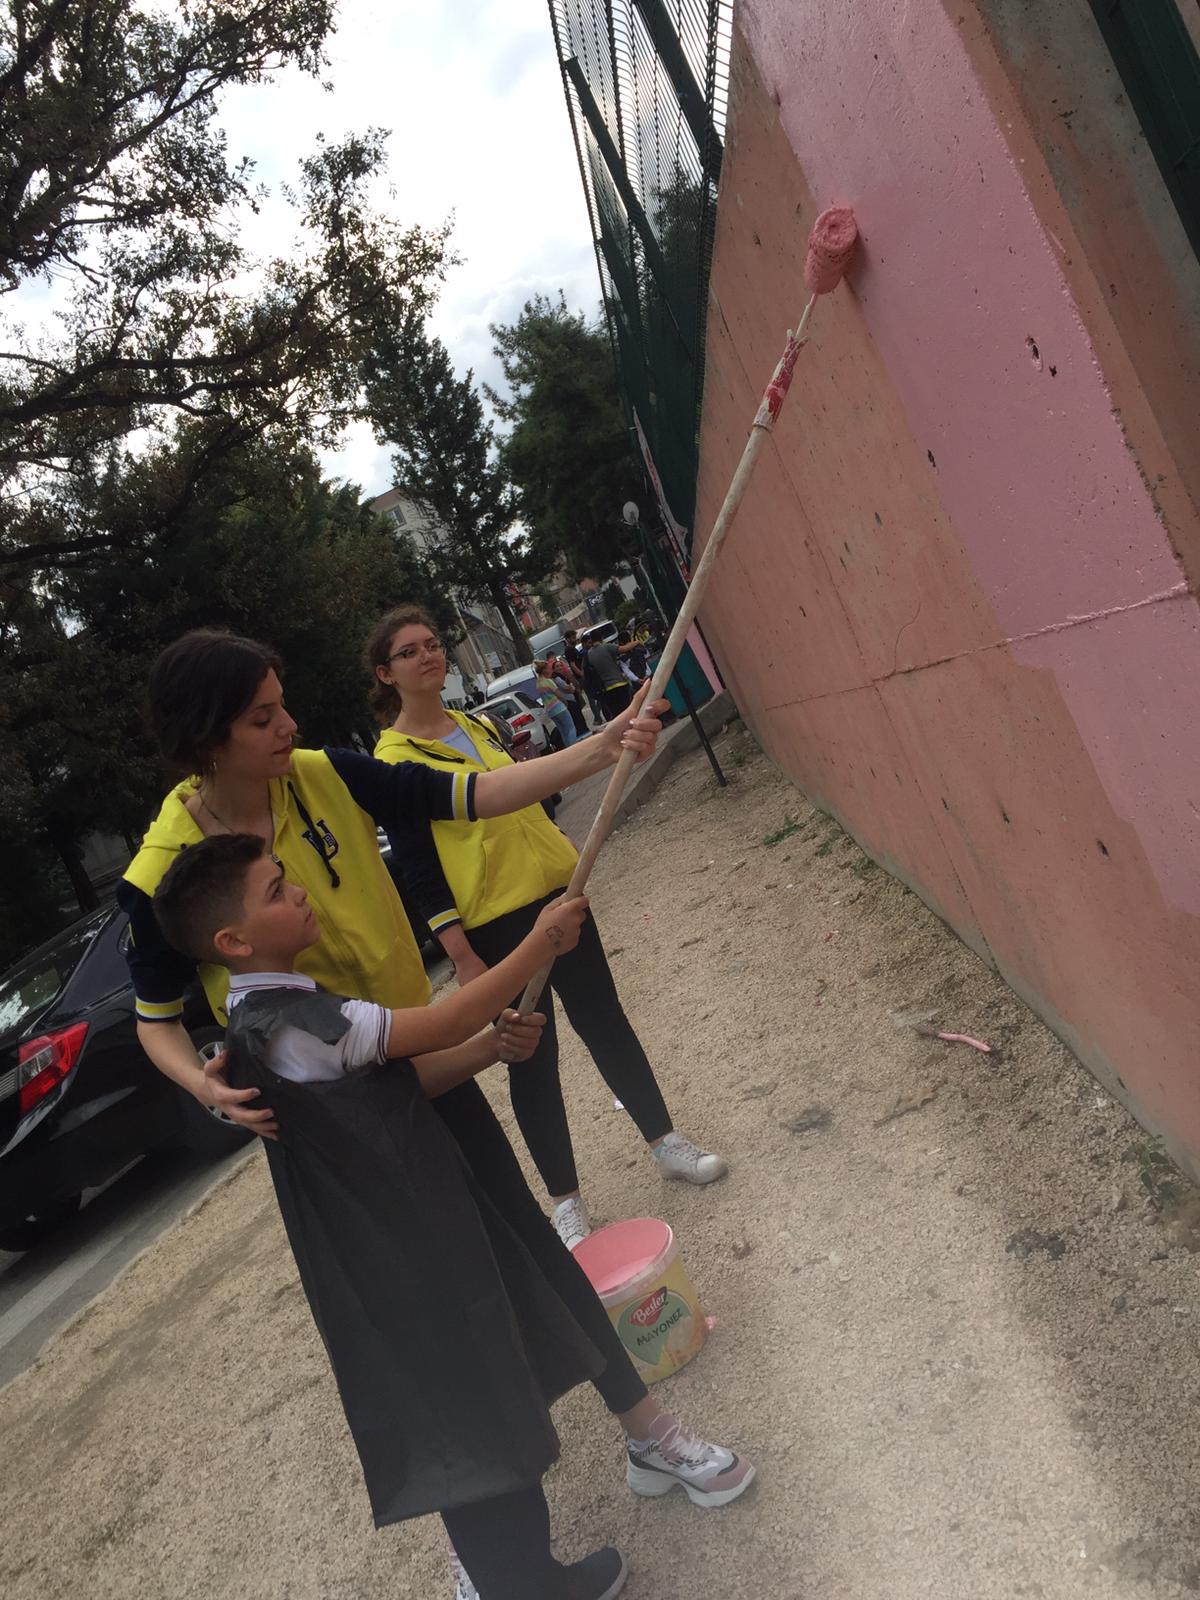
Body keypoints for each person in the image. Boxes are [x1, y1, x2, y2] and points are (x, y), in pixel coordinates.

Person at [120, 627, 753, 1600]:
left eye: (283, 704)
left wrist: (600, 748)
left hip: (423, 1069)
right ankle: (486, 1546)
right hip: (352, 1127)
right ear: (207, 738)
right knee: (436, 1324)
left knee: (533, 1250)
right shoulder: (169, 869)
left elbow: (461, 796)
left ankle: (649, 1436)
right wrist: (209, 1089)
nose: (289, 726)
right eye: (262, 718)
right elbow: (154, 1019)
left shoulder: (321, 772)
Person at [151, 833, 627, 1600]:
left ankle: (522, 1578)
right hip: (408, 1251)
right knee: (475, 1421)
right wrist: (537, 944)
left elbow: (396, 1080)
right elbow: (436, 1025)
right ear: (233, 942)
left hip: (395, 1253)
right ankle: (528, 1586)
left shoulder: (260, 1016)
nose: (299, 892)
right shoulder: (292, 1023)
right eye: (275, 891)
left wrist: (491, 1051)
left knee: (471, 1411)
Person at [367, 605, 731, 1254]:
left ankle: (665, 1141)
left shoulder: (476, 724)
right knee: (531, 1058)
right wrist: (462, 955)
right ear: (385, 673)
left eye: (433, 643)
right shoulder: (392, 759)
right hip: (495, 921)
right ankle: (566, 1203)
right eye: (410, 651)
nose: (428, 655)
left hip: (560, 895)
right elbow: (418, 868)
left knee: (605, 1020)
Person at [586, 633, 638, 721]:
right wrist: (637, 642)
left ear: (591, 640)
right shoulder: (607, 647)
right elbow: (624, 649)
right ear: (601, 638)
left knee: (616, 714)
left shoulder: (589, 654)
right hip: (619, 683)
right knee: (628, 710)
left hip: (606, 689)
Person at [564, 629, 605, 727]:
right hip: (581, 677)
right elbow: (573, 665)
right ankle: (598, 718)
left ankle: (597, 717)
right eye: (573, 638)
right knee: (591, 697)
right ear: (568, 639)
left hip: (583, 675)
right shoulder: (569, 650)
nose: (575, 639)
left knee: (595, 696)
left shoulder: (573, 649)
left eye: (575, 637)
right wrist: (582, 674)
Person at [534, 659, 577, 748]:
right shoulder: (548, 681)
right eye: (548, 669)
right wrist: (565, 702)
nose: (550, 670)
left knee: (563, 731)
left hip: (550, 710)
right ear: (544, 670)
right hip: (559, 707)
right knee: (571, 728)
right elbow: (559, 695)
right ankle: (573, 747)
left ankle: (568, 748)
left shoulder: (538, 684)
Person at [547, 651, 588, 738]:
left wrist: (571, 687)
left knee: (578, 717)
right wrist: (572, 687)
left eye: (560, 665)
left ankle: (583, 731)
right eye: (557, 666)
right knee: (577, 718)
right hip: (568, 701)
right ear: (553, 669)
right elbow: (566, 688)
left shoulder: (561, 676)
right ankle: (582, 733)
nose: (560, 668)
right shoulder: (557, 678)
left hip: (570, 699)